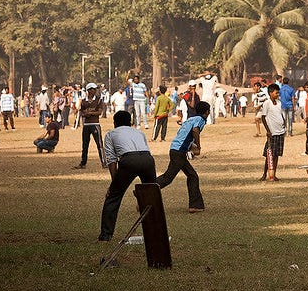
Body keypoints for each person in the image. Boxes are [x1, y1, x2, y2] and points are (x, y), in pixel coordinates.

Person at [97, 110, 157, 241]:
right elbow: (146, 150)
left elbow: (111, 160)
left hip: (129, 160)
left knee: (113, 197)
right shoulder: (139, 132)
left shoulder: (111, 134)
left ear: (114, 123)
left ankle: (106, 235)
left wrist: (114, 184)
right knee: (152, 196)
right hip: (148, 159)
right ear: (130, 122)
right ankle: (156, 232)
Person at [157, 101, 210, 213]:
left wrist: (190, 147)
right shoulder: (201, 120)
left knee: (191, 176)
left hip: (176, 149)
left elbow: (184, 134)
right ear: (207, 112)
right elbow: (195, 131)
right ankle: (143, 191)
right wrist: (198, 147)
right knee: (168, 178)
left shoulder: (190, 119)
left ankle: (196, 205)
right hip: (179, 152)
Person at [258, 83, 286, 182]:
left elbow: (281, 115)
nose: (278, 95)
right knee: (269, 155)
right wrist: (268, 130)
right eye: (276, 93)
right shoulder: (267, 103)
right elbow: (263, 117)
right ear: (270, 93)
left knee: (277, 154)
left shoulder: (279, 103)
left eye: (278, 93)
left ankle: (274, 174)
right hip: (272, 132)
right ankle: (265, 174)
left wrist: (284, 124)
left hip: (280, 132)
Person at [73, 83, 105, 169]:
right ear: (89, 90)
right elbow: (81, 112)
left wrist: (89, 113)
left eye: (95, 89)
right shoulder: (83, 101)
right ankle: (83, 163)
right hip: (86, 125)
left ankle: (104, 163)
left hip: (95, 124)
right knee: (85, 145)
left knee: (100, 144)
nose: (95, 91)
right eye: (93, 89)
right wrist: (85, 114)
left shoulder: (99, 100)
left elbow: (99, 112)